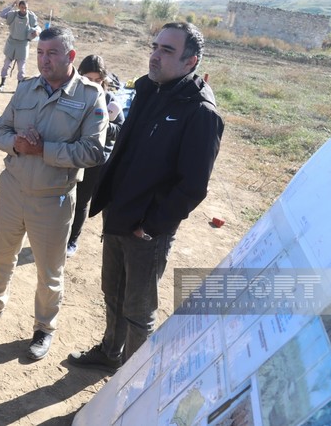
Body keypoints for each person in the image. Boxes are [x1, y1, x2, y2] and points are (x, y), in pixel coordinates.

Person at [67, 22, 224, 372]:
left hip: (147, 231)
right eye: (155, 46)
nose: (155, 54)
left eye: (167, 50)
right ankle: (110, 352)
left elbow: (193, 186)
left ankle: (128, 386)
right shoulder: (149, 89)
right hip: (119, 216)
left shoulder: (200, 111)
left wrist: (151, 226)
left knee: (138, 313)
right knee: (113, 294)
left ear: (190, 61)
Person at [0, 26, 108, 361]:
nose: (44, 60)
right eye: (40, 53)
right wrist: (15, 143)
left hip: (53, 197)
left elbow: (93, 152)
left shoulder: (89, 96)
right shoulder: (26, 88)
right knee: (2, 253)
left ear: (71, 56)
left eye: (52, 53)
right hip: (13, 190)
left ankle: (44, 327)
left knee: (49, 270)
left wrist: (44, 150)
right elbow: (0, 129)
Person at [66, 55, 124, 257]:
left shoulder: (110, 101)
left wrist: (104, 125)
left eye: (98, 80)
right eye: (89, 79)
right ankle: (56, 235)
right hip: (70, 156)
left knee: (81, 202)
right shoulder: (70, 95)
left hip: (94, 161)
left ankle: (72, 240)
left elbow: (120, 131)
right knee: (62, 197)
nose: (94, 84)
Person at [0, 0, 40, 92]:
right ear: (19, 7)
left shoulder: (31, 16)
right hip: (11, 42)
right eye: (22, 7)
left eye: (26, 8)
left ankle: (19, 88)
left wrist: (36, 31)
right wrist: (11, 5)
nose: (24, 10)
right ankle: (2, 84)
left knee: (21, 68)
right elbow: (1, 14)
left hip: (23, 44)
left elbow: (37, 26)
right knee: (6, 65)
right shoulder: (13, 14)